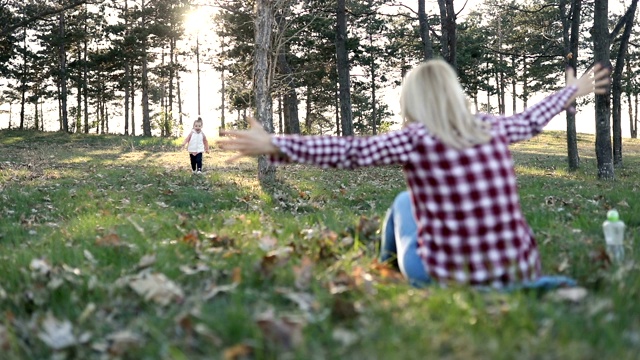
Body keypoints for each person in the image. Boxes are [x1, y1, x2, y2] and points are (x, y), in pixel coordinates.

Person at [218, 60, 610, 289]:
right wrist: (572, 91)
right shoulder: (492, 127)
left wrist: (277, 144)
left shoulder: (416, 139)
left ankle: (385, 266)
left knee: (404, 202)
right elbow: (532, 117)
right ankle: (512, 287)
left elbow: (352, 151)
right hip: (521, 270)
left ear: (413, 102)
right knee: (412, 201)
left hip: (446, 276)